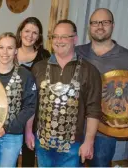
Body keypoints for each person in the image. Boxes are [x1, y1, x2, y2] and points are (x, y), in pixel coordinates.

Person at [31, 20, 102, 167]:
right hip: (42, 141)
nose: (59, 41)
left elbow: (93, 111)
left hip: (73, 144)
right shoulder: (38, 68)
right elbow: (31, 105)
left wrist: (89, 141)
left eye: (64, 37)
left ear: (75, 39)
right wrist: (28, 133)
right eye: (55, 36)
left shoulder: (89, 71)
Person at [76, 8, 128, 167]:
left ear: (112, 25)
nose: (100, 26)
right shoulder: (77, 53)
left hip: (104, 133)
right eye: (95, 23)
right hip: (74, 129)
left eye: (105, 22)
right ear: (89, 27)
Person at [0, 32, 37, 167]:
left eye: (10, 48)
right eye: (1, 47)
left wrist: (6, 128)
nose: (5, 52)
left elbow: (30, 107)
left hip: (12, 135)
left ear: (16, 51)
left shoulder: (25, 75)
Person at [15, 17, 51, 167]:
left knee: (29, 148)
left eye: (34, 33)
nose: (30, 36)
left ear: (39, 36)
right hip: (12, 108)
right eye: (27, 31)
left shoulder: (45, 56)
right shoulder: (9, 51)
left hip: (34, 109)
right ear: (20, 32)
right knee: (11, 150)